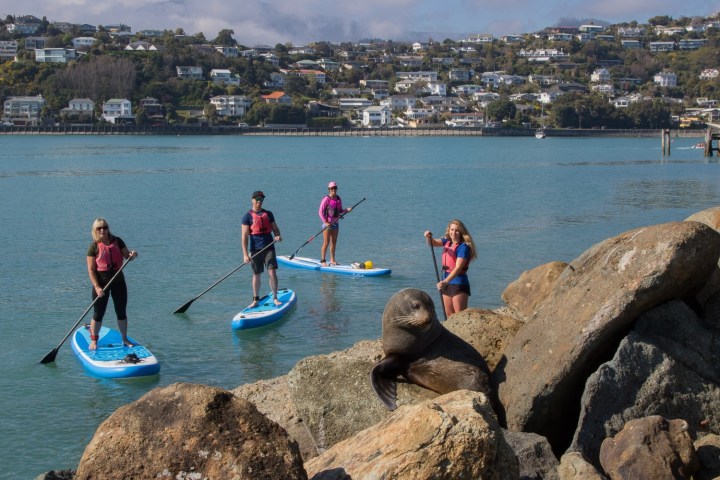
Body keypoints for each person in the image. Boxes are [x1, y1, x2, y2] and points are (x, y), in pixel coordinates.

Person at [86, 218, 138, 351]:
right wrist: (97, 288)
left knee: (121, 312)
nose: (102, 230)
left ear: (108, 228)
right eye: (99, 228)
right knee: (98, 314)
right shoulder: (93, 247)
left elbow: (127, 256)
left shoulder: (118, 241)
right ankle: (94, 340)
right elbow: (91, 270)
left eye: (104, 227)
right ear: (95, 231)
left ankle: (124, 338)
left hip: (118, 282)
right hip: (101, 285)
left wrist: (133, 255)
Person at [424, 219, 477, 316]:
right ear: (449, 230)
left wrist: (445, 282)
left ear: (461, 232)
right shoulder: (447, 241)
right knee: (449, 314)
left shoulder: (463, 247)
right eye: (452, 230)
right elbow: (433, 243)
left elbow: (458, 268)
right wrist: (428, 237)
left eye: (457, 230)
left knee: (459, 315)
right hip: (447, 280)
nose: (454, 233)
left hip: (458, 282)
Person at [241, 190, 283, 307]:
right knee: (257, 274)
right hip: (255, 250)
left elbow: (275, 228)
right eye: (258, 200)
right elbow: (244, 237)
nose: (260, 202)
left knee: (272, 272)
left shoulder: (268, 214)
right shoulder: (246, 217)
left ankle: (275, 297)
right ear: (252, 200)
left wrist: (278, 236)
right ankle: (255, 299)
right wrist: (245, 255)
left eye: (262, 200)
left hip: (269, 247)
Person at [318, 181, 352, 266]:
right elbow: (320, 212)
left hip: (336, 223)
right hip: (327, 224)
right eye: (332, 188)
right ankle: (323, 260)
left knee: (334, 242)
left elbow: (340, 211)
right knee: (326, 242)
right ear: (329, 189)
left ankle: (332, 260)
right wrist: (325, 222)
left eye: (335, 188)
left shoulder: (338, 199)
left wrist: (347, 210)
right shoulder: (326, 199)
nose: (334, 190)